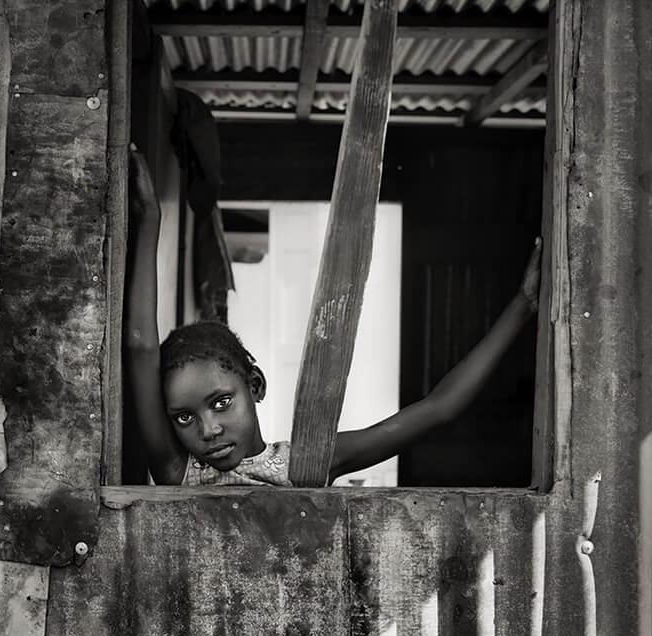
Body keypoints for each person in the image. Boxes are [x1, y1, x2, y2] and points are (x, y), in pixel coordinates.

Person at [124, 144, 542, 487]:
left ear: (255, 385)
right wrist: (150, 218)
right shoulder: (178, 473)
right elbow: (141, 348)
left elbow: (438, 408)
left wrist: (523, 304)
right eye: (184, 418)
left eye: (221, 402)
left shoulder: (305, 465)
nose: (208, 429)